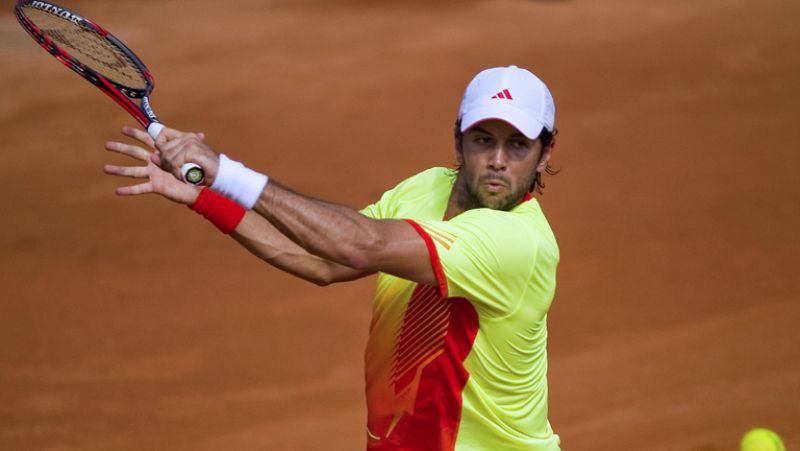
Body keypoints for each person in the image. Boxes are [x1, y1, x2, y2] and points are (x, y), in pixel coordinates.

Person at [104, 65, 561, 450]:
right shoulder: (425, 188)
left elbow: (359, 245)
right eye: (483, 139)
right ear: (459, 141)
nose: (498, 160)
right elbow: (322, 260)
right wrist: (205, 194)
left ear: (544, 155)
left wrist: (226, 173)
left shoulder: (518, 243)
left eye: (517, 145)